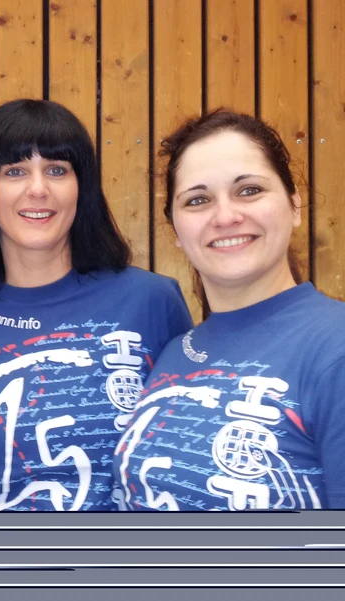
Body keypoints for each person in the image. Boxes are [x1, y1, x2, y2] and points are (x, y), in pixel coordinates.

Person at [0, 99, 193, 511]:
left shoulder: (152, 300)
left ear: (81, 188)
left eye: (56, 170)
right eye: (15, 171)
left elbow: (188, 453)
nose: (38, 189)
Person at [112, 109, 345, 511]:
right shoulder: (175, 352)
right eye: (198, 200)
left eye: (249, 190)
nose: (225, 216)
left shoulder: (335, 348)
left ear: (294, 204)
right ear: (176, 231)